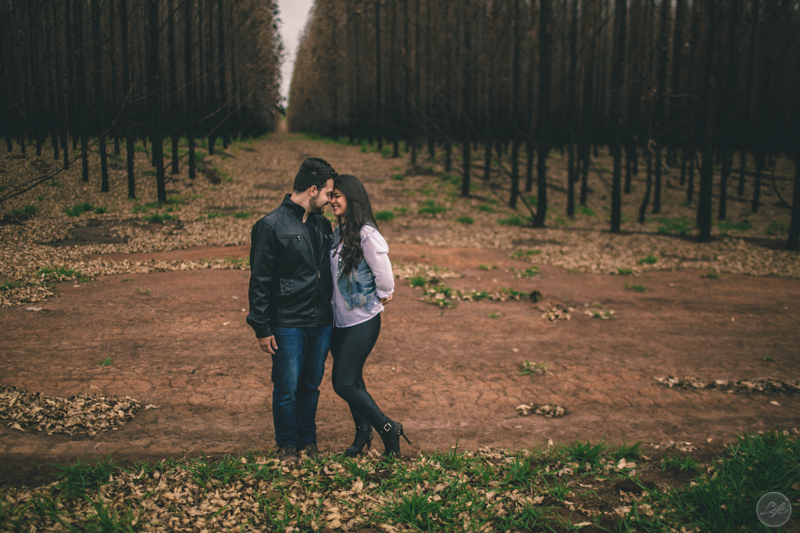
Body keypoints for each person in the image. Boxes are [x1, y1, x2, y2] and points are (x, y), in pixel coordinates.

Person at [247, 157, 337, 464]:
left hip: (321, 322)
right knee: (286, 387)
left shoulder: (323, 225)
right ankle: (286, 444)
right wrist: (262, 327)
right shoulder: (269, 226)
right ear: (313, 190)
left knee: (311, 386)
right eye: (327, 193)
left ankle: (307, 440)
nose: (329, 199)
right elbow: (259, 281)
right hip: (287, 323)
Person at [328, 174, 410, 457]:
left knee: (343, 382)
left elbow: (384, 272)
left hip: (362, 321)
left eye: (337, 195)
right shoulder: (339, 232)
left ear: (352, 197)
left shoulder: (366, 233)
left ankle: (388, 428)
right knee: (354, 380)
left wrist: (384, 292)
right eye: (331, 195)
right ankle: (363, 432)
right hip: (339, 321)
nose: (332, 200)